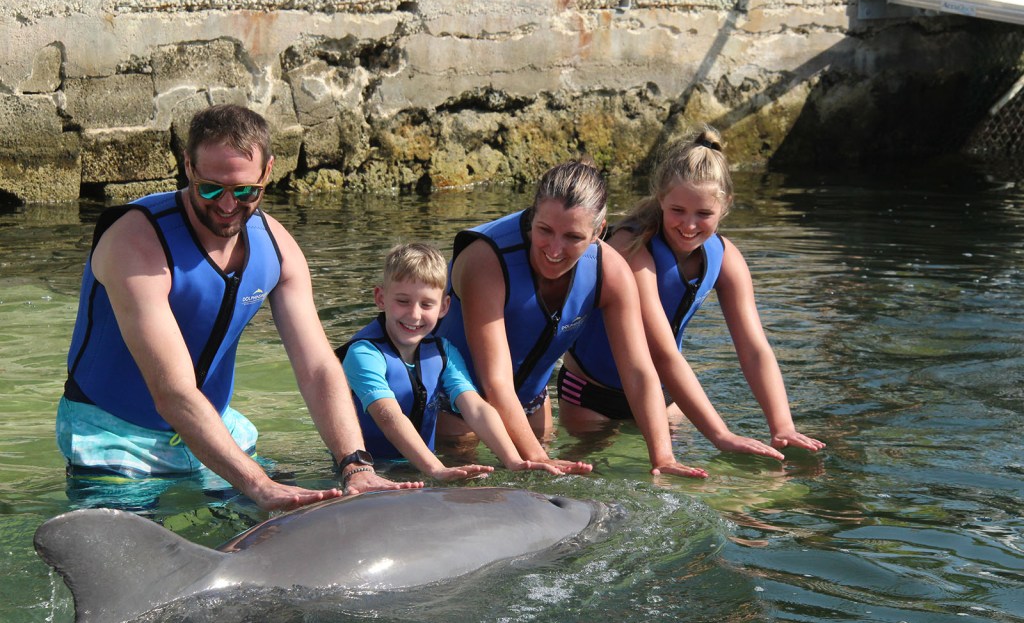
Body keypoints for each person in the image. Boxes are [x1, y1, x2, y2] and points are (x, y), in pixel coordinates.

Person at [58, 104, 422, 511]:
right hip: (119, 439)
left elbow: (318, 368)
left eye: (245, 191)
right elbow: (173, 392)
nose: (228, 205)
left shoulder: (276, 248)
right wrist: (258, 484)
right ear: (188, 169)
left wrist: (356, 466)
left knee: (306, 517)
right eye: (211, 188)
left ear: (268, 172)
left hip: (213, 427)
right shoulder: (137, 243)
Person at [559, 126, 825, 459]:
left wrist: (782, 426)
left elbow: (755, 349)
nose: (689, 225)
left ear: (725, 205)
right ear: (661, 199)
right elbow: (662, 353)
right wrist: (721, 435)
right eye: (678, 211)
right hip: (591, 395)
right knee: (588, 482)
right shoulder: (631, 248)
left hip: (664, 394)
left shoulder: (726, 258)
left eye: (703, 214)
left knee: (682, 482)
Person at [436, 159, 707, 479]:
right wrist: (538, 458)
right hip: (455, 413)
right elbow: (495, 380)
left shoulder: (611, 270)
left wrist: (663, 457)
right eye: (545, 230)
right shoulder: (488, 259)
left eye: (573, 237)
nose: (554, 249)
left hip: (531, 407)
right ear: (532, 216)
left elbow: (638, 370)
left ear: (598, 231)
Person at [336, 242, 563, 480]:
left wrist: (514, 460)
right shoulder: (363, 354)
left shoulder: (442, 352)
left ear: (444, 306)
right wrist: (436, 469)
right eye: (402, 301)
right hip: (369, 473)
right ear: (380, 298)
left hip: (424, 468)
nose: (414, 314)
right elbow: (388, 416)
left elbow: (475, 408)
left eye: (426, 304)